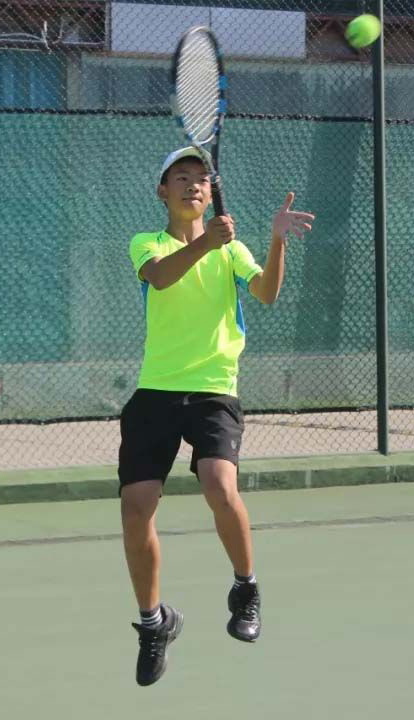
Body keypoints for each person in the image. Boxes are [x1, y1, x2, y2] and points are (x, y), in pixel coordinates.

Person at [120, 147, 315, 686]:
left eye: (201, 179)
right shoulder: (147, 243)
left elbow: (267, 293)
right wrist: (207, 242)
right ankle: (153, 623)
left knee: (219, 484)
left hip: (214, 391)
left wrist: (276, 240)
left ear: (211, 193)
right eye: (181, 178)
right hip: (156, 391)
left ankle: (245, 588)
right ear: (162, 192)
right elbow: (161, 278)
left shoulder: (233, 251)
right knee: (136, 509)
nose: (193, 185)